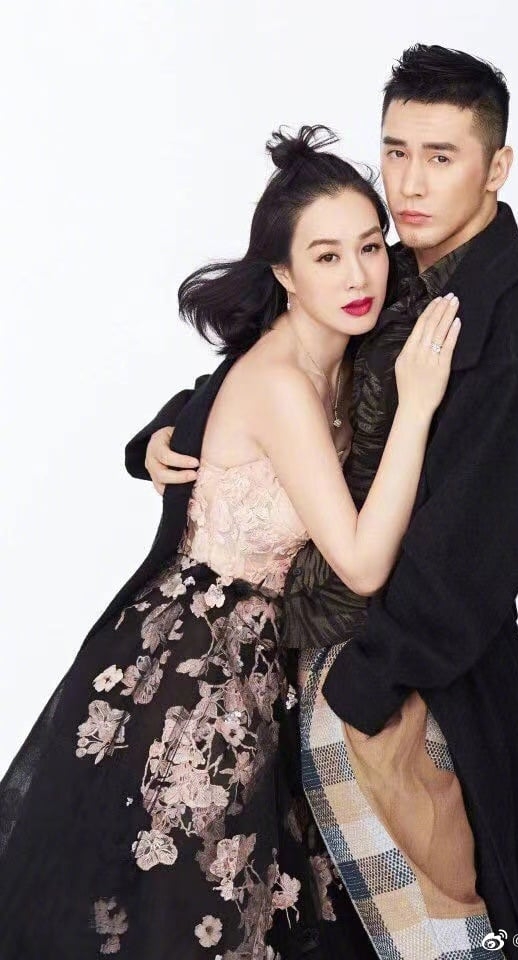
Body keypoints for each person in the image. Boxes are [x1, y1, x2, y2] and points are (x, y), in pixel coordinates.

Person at [129, 45, 518, 960]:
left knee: (447, 941)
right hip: (297, 674)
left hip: (409, 692)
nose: (409, 183)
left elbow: (471, 563)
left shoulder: (516, 341)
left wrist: (362, 690)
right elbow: (282, 370)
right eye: (396, 151)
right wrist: (161, 433)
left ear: (497, 167)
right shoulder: (394, 270)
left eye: (441, 157)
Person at [0, 124, 472, 959]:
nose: (358, 275)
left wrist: (158, 434)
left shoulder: (345, 357)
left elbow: (200, 398)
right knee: (188, 927)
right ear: (284, 274)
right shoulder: (282, 383)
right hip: (193, 681)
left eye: (369, 247)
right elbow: (361, 562)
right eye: (326, 256)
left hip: (261, 675)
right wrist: (419, 405)